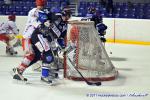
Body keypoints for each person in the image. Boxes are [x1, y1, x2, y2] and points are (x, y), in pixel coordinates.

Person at [12, 9, 71, 83]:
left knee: (37, 56)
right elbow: (41, 12)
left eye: (68, 15)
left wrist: (63, 47)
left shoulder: (64, 26)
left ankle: (19, 70)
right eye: (66, 15)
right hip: (39, 35)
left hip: (45, 38)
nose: (66, 17)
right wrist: (45, 20)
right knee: (48, 54)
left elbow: (60, 38)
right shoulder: (56, 15)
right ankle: (44, 76)